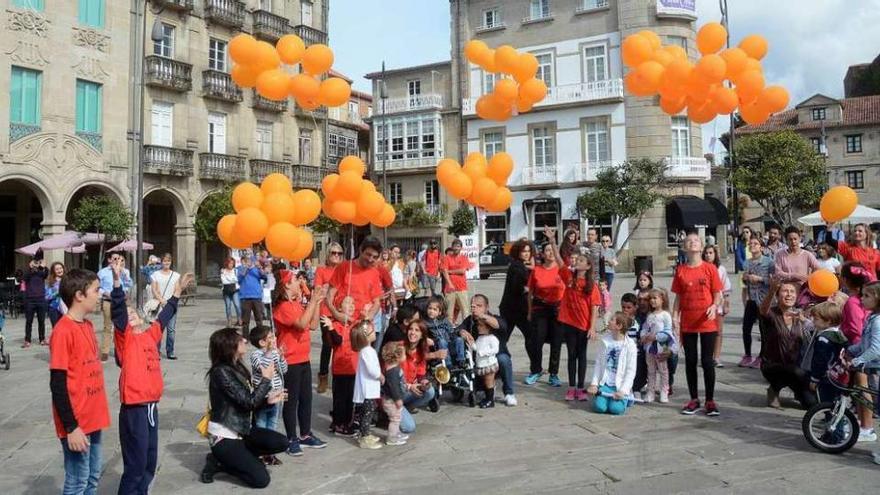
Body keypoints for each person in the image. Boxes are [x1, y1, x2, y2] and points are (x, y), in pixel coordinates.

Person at [112, 260, 192, 493]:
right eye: (127, 315)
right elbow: (118, 309)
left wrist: (177, 292)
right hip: (134, 408)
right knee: (135, 465)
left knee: (149, 461)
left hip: (151, 408)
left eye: (133, 312)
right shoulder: (124, 340)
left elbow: (165, 316)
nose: (131, 315)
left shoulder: (149, 335)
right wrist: (117, 281)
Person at [199, 328, 288, 488]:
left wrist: (268, 400)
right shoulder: (221, 372)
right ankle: (220, 462)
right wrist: (266, 380)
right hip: (225, 437)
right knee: (261, 480)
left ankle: (241, 458)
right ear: (229, 346)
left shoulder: (237, 366)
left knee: (281, 442)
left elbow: (246, 402)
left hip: (242, 431)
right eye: (241, 340)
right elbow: (249, 402)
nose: (245, 341)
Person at [50, 268, 110, 495]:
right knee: (77, 481)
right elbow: (57, 384)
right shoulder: (63, 330)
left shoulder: (87, 325)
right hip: (77, 422)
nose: (99, 294)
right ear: (79, 295)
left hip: (93, 417)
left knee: (92, 478)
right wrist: (71, 427)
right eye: (95, 290)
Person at [272, 269, 326, 456]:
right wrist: (312, 301)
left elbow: (312, 324)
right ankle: (291, 438)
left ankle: (305, 434)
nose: (299, 282)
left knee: (306, 399)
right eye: (296, 279)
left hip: (303, 358)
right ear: (286, 284)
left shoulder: (295, 303)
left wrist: (317, 301)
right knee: (291, 400)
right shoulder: (283, 307)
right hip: (290, 360)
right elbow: (302, 324)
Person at [544, 227, 600, 402]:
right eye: (577, 259)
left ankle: (581, 388)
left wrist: (592, 327)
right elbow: (560, 261)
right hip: (569, 323)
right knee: (571, 355)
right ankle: (571, 387)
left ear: (588, 265)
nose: (577, 262)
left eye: (581, 260)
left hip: (583, 325)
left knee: (581, 356)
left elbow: (595, 307)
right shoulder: (569, 276)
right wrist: (553, 241)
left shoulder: (591, 284)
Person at [672, 232, 723, 416]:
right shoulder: (681, 270)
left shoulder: (710, 268)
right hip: (688, 322)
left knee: (707, 361)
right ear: (684, 247)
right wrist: (674, 317)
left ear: (701, 246)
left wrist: (714, 305)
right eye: (689, 241)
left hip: (707, 321)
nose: (693, 243)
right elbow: (678, 297)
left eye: (696, 240)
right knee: (691, 361)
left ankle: (710, 400)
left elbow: (717, 293)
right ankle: (694, 399)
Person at [758, 279, 816, 409]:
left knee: (811, 404)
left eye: (792, 292)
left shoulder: (800, 315)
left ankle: (797, 390)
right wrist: (772, 290)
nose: (789, 294)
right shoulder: (771, 314)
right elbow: (763, 310)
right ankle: (774, 388)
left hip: (796, 368)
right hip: (772, 366)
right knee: (795, 372)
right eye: (785, 291)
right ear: (778, 296)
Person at [327, 237, 385, 350]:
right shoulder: (344, 267)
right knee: (344, 363)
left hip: (362, 328)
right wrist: (336, 314)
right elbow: (329, 296)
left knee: (363, 363)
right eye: (368, 254)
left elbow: (377, 302)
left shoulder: (374, 273)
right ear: (360, 250)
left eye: (375, 257)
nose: (371, 259)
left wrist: (368, 317)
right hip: (343, 326)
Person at [458, 295, 517, 406]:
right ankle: (486, 391)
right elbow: (457, 329)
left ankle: (509, 393)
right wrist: (462, 332)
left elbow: (502, 326)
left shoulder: (494, 318)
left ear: (486, 307)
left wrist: (483, 317)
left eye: (479, 306)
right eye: (473, 306)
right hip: (478, 360)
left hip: (495, 356)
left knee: (504, 359)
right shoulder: (470, 320)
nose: (475, 308)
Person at [843, 281, 880, 443]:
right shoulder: (872, 317)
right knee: (863, 394)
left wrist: (858, 360)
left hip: (876, 367)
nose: (862, 299)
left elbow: (876, 349)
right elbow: (864, 343)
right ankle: (865, 426)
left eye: (866, 296)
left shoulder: (878, 321)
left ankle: (868, 428)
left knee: (870, 397)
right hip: (870, 366)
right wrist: (852, 350)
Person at [525, 241, 566, 387]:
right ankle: (535, 370)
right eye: (547, 250)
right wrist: (529, 312)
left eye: (552, 250)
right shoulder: (537, 270)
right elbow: (530, 293)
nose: (550, 253)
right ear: (542, 254)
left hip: (558, 309)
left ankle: (553, 374)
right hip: (540, 309)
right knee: (537, 342)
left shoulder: (562, 269)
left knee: (556, 343)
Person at [248, 325, 287, 466]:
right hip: (263, 398)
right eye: (270, 337)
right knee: (261, 425)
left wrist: (281, 357)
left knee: (273, 424)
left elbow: (283, 370)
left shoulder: (274, 353)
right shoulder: (255, 355)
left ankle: (269, 453)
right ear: (262, 342)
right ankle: (260, 453)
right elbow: (263, 369)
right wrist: (270, 353)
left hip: (276, 395)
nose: (274, 339)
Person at [588, 312, 638, 415]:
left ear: (619, 326)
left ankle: (628, 398)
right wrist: (594, 384)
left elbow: (631, 371)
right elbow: (598, 364)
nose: (608, 322)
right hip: (605, 384)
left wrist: (623, 390)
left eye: (611, 320)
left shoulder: (630, 345)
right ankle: (604, 398)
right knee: (599, 408)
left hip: (619, 385)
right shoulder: (605, 341)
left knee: (615, 409)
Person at [322, 297, 358, 437]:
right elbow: (337, 341)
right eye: (347, 303)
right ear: (339, 308)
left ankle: (345, 422)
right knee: (340, 398)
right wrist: (331, 328)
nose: (351, 305)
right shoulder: (336, 324)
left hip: (353, 367)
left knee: (349, 398)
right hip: (341, 368)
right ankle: (339, 423)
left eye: (353, 303)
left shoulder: (354, 323)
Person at [400, 320, 445, 429]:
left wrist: (424, 382)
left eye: (417, 330)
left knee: (430, 391)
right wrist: (410, 386)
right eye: (411, 329)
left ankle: (405, 408)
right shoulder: (399, 348)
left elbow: (420, 375)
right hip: (394, 392)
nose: (412, 333)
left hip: (406, 391)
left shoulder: (421, 351)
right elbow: (391, 379)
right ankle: (388, 413)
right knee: (409, 427)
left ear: (422, 336)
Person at [499, 239, 533, 376]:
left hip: (520, 309)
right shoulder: (516, 266)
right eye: (523, 251)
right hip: (511, 309)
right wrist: (527, 289)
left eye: (528, 251)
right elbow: (517, 288)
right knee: (503, 338)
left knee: (529, 337)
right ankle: (499, 366)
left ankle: (535, 367)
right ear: (518, 252)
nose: (526, 254)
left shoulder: (523, 266)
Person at [741, 236, 775, 369]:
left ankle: (762, 356)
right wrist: (745, 279)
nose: (753, 245)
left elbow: (773, 282)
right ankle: (747, 355)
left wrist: (760, 279)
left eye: (756, 243)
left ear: (761, 247)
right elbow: (744, 282)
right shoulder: (747, 262)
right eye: (751, 244)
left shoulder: (769, 262)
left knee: (763, 329)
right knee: (746, 328)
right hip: (751, 298)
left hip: (764, 299)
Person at [315, 242, 344, 394]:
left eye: (339, 253)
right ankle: (323, 377)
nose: (336, 256)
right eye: (333, 253)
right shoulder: (321, 270)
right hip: (326, 312)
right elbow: (319, 290)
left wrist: (329, 288)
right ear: (328, 254)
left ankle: (338, 376)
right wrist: (329, 289)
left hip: (341, 312)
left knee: (340, 345)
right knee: (327, 345)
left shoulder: (344, 269)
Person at [804, 302, 846, 403]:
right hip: (838, 374)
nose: (813, 321)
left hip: (826, 376)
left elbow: (820, 360)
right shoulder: (839, 335)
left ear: (828, 321)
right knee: (836, 400)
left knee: (826, 400)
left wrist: (815, 378)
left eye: (816, 319)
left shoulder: (823, 338)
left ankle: (831, 417)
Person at [352, 320, 383, 449]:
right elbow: (372, 369)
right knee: (367, 412)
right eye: (372, 330)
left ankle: (365, 433)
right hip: (367, 390)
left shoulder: (367, 350)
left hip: (369, 389)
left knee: (368, 411)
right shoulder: (367, 351)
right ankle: (364, 436)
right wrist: (379, 375)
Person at [642, 289, 675, 403]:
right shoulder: (649, 315)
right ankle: (650, 391)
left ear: (662, 299)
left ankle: (664, 391)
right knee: (650, 370)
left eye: (655, 298)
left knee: (663, 371)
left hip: (661, 347)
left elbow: (668, 331)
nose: (652, 301)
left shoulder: (665, 315)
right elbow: (645, 328)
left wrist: (656, 337)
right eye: (651, 298)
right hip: (649, 347)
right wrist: (643, 336)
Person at [97, 253, 132, 361]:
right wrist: (105, 293)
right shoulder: (102, 272)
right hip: (108, 300)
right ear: (109, 260)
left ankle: (121, 349)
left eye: (119, 259)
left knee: (122, 326)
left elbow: (130, 284)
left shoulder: (124, 271)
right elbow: (97, 286)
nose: (117, 260)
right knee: (108, 326)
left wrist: (124, 274)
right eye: (115, 258)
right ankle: (105, 351)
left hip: (121, 301)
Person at [703, 245, 731, 367]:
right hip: (704, 304)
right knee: (705, 332)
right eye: (706, 253)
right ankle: (707, 356)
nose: (708, 255)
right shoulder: (700, 268)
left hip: (718, 304)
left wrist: (726, 304)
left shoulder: (721, 269)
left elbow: (726, 288)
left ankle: (717, 357)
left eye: (710, 253)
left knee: (718, 331)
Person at [151, 253, 181, 360]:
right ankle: (156, 351)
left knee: (171, 329)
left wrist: (170, 301)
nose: (166, 263)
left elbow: (177, 289)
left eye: (168, 261)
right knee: (159, 328)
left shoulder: (176, 275)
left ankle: (170, 351)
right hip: (159, 304)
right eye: (164, 261)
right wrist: (161, 300)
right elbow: (154, 289)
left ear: (171, 262)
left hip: (171, 304)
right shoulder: (155, 274)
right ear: (161, 262)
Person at [381, 343, 409, 446]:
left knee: (397, 417)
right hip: (391, 400)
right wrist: (398, 399)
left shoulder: (393, 368)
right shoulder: (392, 371)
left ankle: (396, 433)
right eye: (404, 354)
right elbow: (394, 387)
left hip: (391, 399)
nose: (405, 356)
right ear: (397, 356)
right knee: (395, 419)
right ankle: (392, 438)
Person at [441, 238, 474, 324]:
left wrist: (450, 271)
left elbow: (462, 271)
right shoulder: (446, 258)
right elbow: (444, 272)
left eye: (458, 246)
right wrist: (450, 283)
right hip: (450, 289)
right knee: (449, 312)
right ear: (451, 247)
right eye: (454, 246)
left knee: (465, 311)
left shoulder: (464, 258)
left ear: (461, 248)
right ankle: (449, 329)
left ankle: (466, 328)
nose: (456, 248)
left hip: (462, 288)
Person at [424, 296, 463, 367]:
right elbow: (423, 333)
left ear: (439, 312)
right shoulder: (425, 322)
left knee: (459, 339)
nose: (431, 311)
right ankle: (448, 363)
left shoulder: (444, 320)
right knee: (442, 341)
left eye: (434, 309)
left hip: (449, 342)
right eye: (429, 308)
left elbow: (451, 331)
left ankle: (461, 360)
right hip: (436, 345)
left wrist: (456, 334)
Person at [840, 262, 873, 346]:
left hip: (858, 345)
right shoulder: (870, 297)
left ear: (845, 279)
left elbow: (857, 329)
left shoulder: (853, 302)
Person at [237, 254, 268, 337]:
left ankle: (261, 336)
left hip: (256, 296)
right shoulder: (240, 268)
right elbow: (241, 276)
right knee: (245, 320)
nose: (249, 262)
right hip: (245, 297)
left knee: (259, 318)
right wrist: (247, 267)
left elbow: (265, 277)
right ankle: (246, 337)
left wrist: (260, 267)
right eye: (247, 260)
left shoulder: (256, 269)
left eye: (250, 260)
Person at [474, 316, 500, 409]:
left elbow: (495, 349)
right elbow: (476, 348)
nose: (478, 327)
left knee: (489, 382)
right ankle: (487, 397)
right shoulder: (479, 338)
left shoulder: (492, 338)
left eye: (481, 326)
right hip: (481, 364)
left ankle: (490, 400)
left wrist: (483, 353)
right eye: (478, 326)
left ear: (488, 327)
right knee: (485, 382)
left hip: (489, 364)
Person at [22, 256, 49, 348]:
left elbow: (45, 275)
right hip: (30, 300)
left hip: (41, 299)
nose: (36, 263)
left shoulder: (41, 272)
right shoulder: (29, 272)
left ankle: (42, 339)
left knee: (41, 321)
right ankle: (27, 340)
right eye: (35, 262)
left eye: (38, 262)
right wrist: (30, 268)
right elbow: (24, 278)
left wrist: (44, 266)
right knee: (29, 321)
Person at [220, 258, 242, 328]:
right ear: (227, 263)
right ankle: (229, 321)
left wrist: (229, 278)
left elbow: (237, 279)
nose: (231, 265)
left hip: (235, 290)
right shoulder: (223, 271)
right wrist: (232, 279)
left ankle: (239, 319)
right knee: (228, 306)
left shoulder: (235, 270)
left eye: (232, 263)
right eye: (230, 263)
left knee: (237, 305)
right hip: (226, 290)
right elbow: (224, 281)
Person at [45, 261, 67, 329]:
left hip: (66, 307)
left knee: (66, 328)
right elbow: (47, 296)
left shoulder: (67, 280)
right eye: (57, 269)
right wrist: (57, 293)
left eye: (61, 268)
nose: (59, 270)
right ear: (53, 271)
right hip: (54, 308)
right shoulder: (50, 282)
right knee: (56, 329)